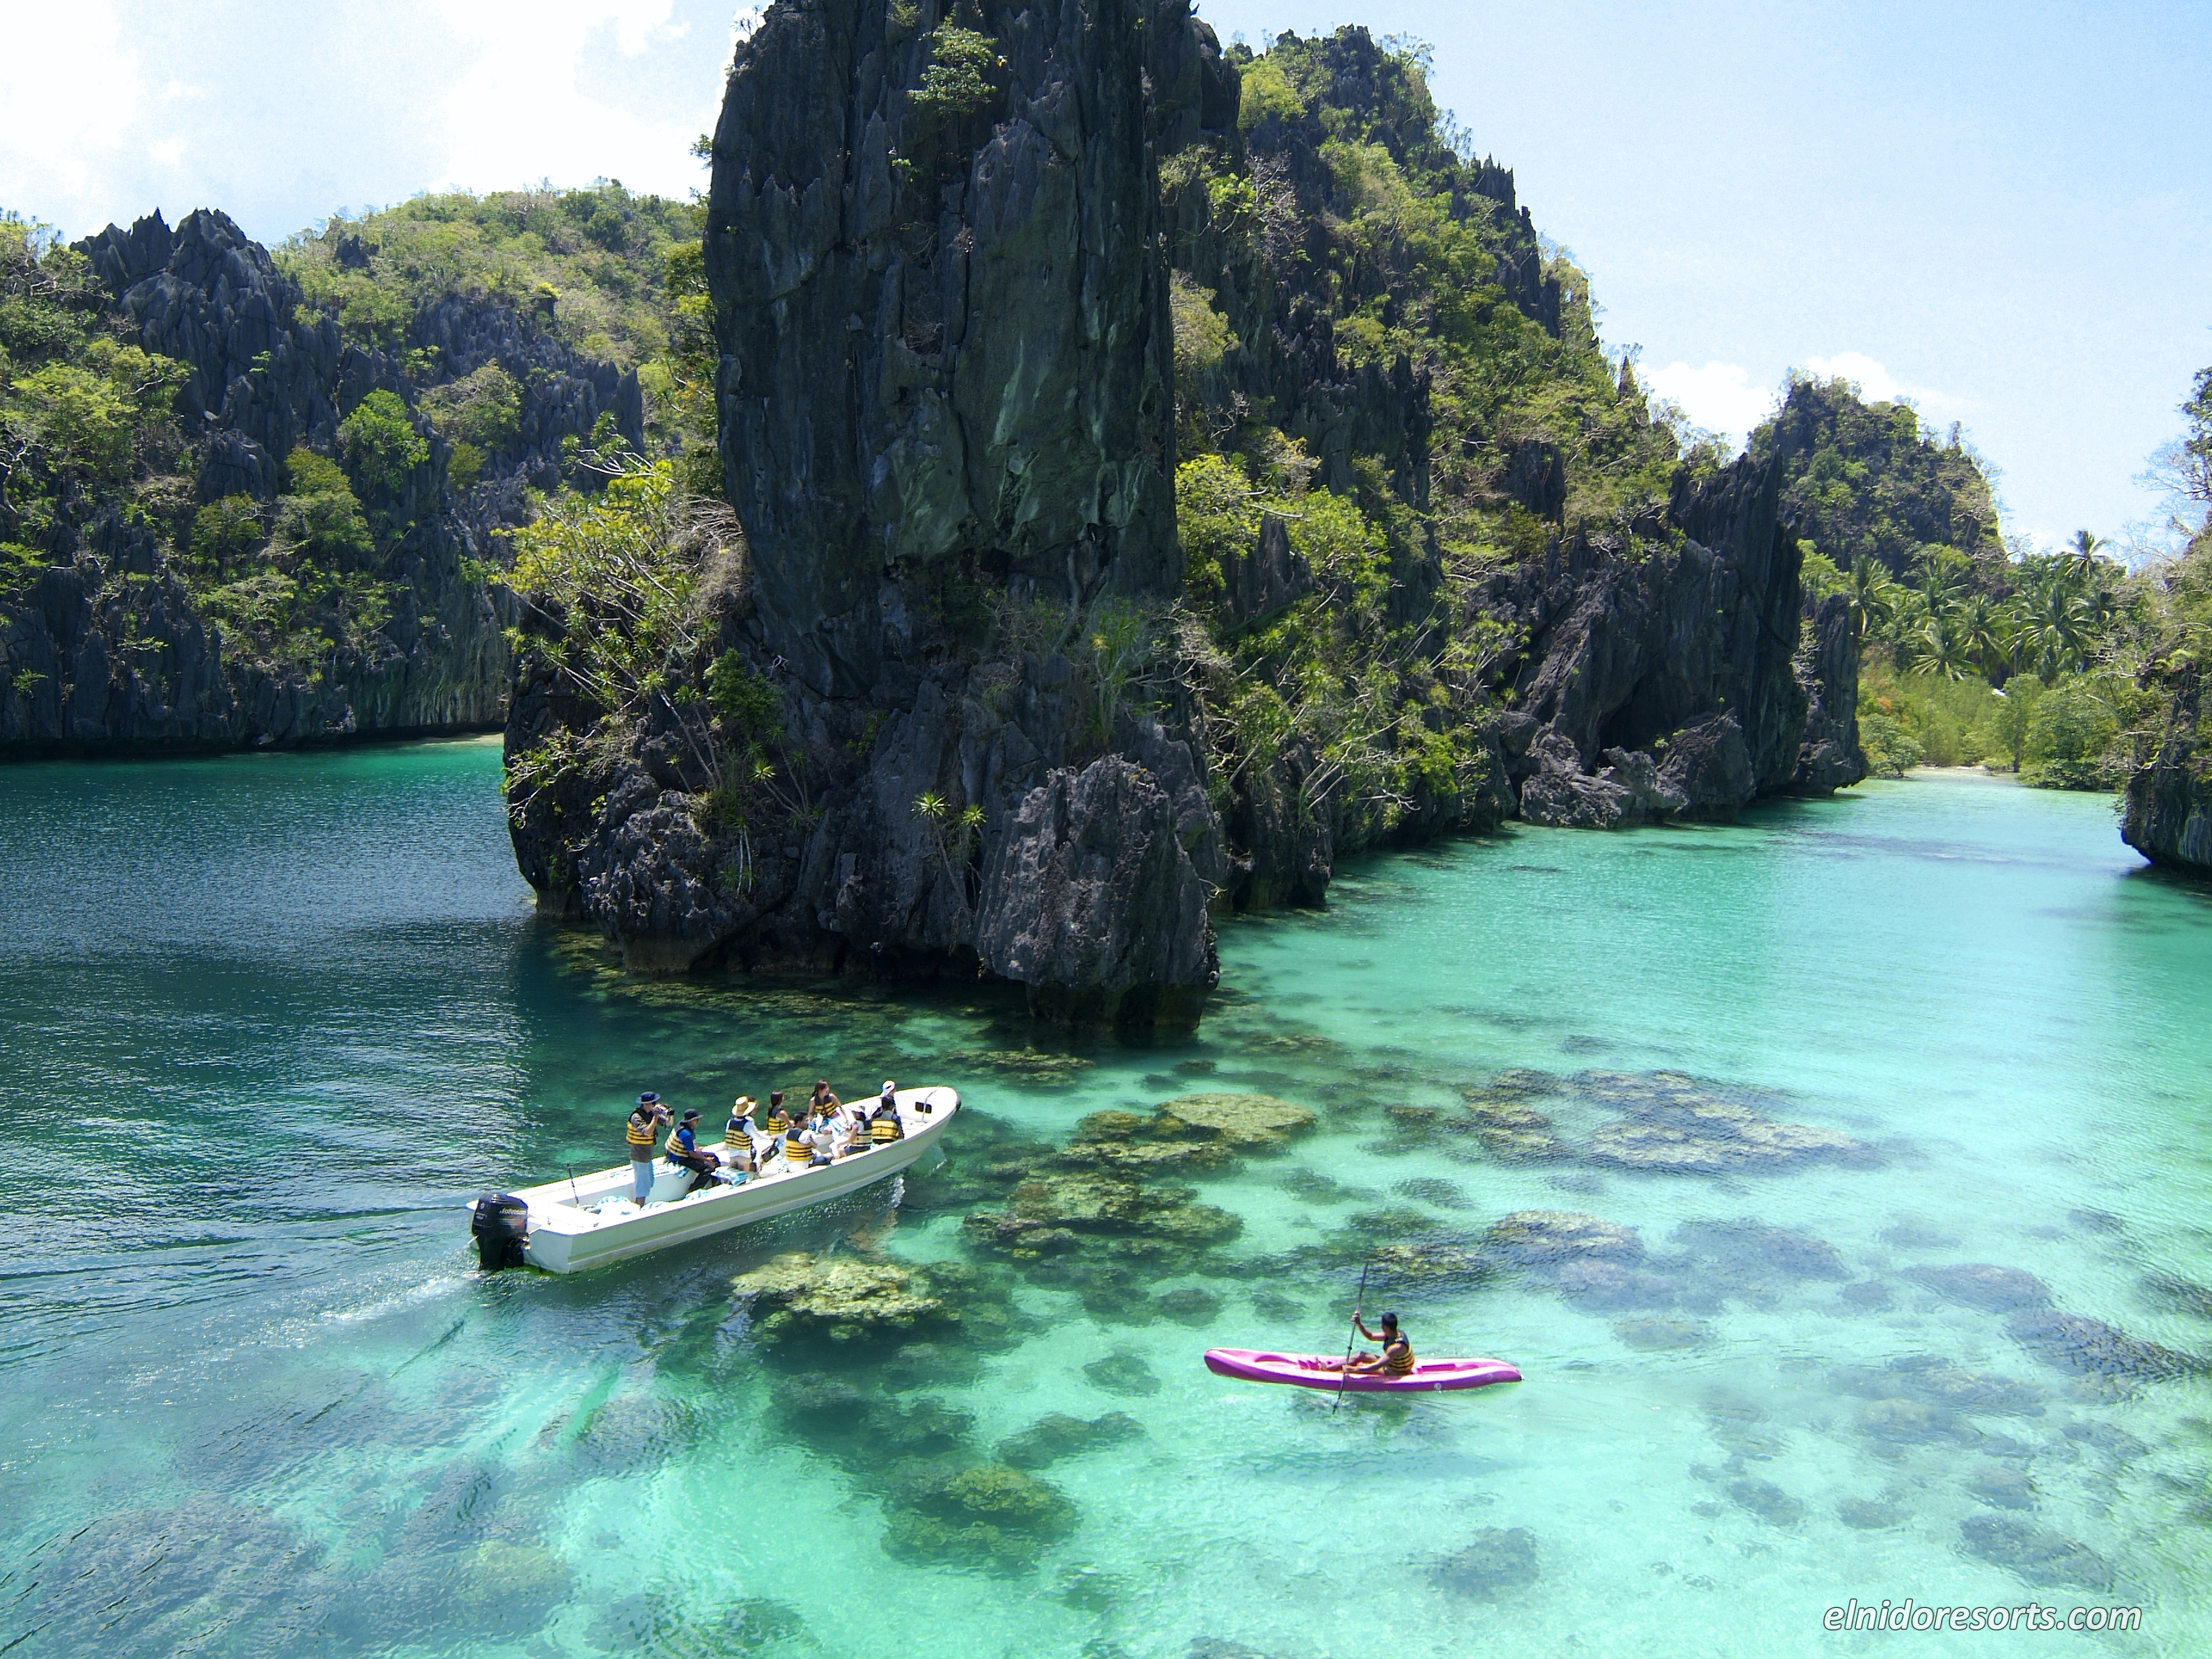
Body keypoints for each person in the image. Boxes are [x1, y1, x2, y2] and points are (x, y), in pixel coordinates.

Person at [1329, 1310, 1415, 1377]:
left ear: (1386, 1327)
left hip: (1398, 1372)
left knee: (1362, 1366)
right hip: (1391, 1364)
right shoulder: (1393, 1333)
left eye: (1382, 1325)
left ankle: (1337, 1375)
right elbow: (1371, 1336)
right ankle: (1329, 1368)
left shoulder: (1397, 1347)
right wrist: (1359, 1323)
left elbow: (1377, 1365)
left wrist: (1354, 1369)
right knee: (1360, 1355)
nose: (1381, 1326)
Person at [626, 1092, 671, 1201]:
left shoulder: (650, 1114)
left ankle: (640, 1204)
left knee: (649, 1182)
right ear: (646, 1104)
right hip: (639, 1157)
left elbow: (668, 1124)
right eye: (653, 1103)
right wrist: (655, 1116)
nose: (654, 1105)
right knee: (643, 1187)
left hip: (647, 1156)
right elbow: (647, 1132)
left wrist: (669, 1113)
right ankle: (639, 1208)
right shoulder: (636, 1117)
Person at [667, 1109, 718, 1187]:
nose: (698, 1121)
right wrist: (706, 1159)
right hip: (678, 1158)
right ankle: (693, 1189)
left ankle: (714, 1184)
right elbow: (692, 1154)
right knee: (708, 1168)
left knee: (713, 1156)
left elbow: (690, 1144)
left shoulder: (680, 1126)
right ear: (691, 1121)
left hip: (671, 1154)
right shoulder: (686, 1134)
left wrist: (698, 1150)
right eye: (696, 1120)